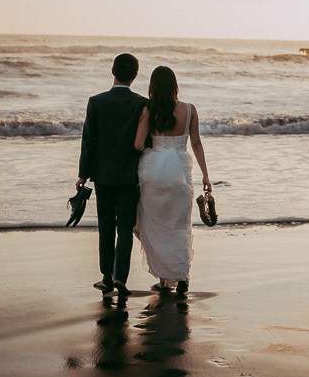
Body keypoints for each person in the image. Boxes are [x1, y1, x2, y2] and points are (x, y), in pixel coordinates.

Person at [133, 66, 211, 294]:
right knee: (179, 226)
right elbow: (196, 144)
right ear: (175, 84)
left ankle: (165, 279)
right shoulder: (190, 110)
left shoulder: (149, 110)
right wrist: (206, 174)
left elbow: (138, 144)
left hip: (153, 173)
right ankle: (182, 277)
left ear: (153, 87)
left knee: (157, 225)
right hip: (180, 172)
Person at [77, 53, 149, 297]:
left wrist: (83, 174)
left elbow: (89, 142)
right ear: (135, 75)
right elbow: (147, 141)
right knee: (125, 227)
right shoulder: (142, 104)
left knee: (106, 226)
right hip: (130, 176)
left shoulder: (96, 102)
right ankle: (121, 278)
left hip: (103, 176)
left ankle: (106, 277)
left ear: (112, 71)